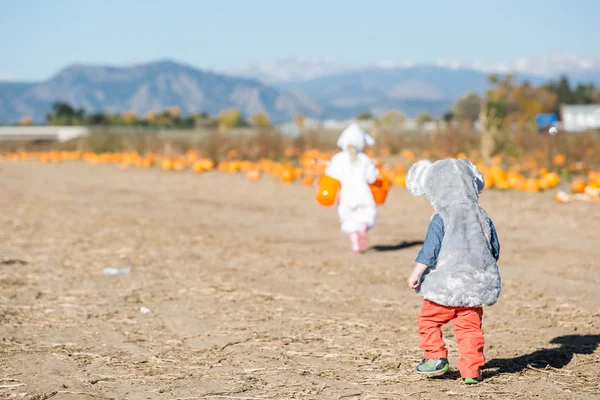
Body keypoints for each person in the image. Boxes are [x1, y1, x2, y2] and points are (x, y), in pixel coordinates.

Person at [405, 158, 501, 384]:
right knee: (469, 329)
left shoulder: (442, 216)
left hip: (445, 288)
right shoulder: (482, 215)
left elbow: (430, 250)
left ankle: (435, 357)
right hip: (474, 288)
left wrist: (416, 273)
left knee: (428, 321)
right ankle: (471, 371)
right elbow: (494, 248)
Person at [324, 123, 379, 253]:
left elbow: (330, 175)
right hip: (364, 194)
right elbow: (372, 178)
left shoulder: (338, 159)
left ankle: (355, 242)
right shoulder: (365, 159)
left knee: (348, 219)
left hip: (346, 195)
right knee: (365, 215)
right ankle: (363, 229)